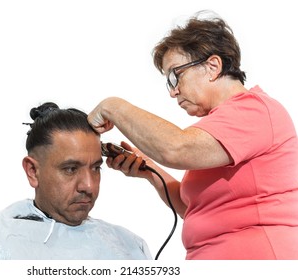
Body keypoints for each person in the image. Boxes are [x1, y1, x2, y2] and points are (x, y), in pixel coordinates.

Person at [87, 10, 298, 260]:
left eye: (176, 75)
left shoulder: (254, 110)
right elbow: (196, 211)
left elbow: (176, 148)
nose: (173, 92)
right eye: (169, 82)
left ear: (213, 66)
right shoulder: (218, 131)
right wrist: (150, 171)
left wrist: (114, 105)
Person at [0, 102, 151, 260]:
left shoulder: (131, 247)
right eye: (70, 169)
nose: (88, 185)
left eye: (96, 168)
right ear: (32, 171)